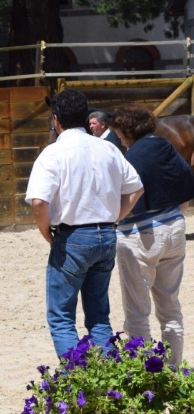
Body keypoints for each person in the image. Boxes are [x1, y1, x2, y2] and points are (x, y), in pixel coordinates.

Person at [26, 89, 144, 358]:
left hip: (73, 237)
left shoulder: (52, 153)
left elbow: (38, 203)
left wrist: (45, 232)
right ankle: (105, 381)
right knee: (99, 317)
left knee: (62, 318)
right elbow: (136, 188)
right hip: (105, 235)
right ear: (86, 117)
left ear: (56, 120)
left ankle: (75, 379)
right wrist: (116, 217)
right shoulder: (108, 149)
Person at [110, 104, 194, 367]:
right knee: (170, 309)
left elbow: (126, 196)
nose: (119, 138)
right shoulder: (164, 145)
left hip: (142, 234)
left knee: (137, 313)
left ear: (127, 130)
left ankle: (146, 376)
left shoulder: (130, 157)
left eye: (120, 133)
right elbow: (186, 182)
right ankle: (172, 370)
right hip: (175, 228)